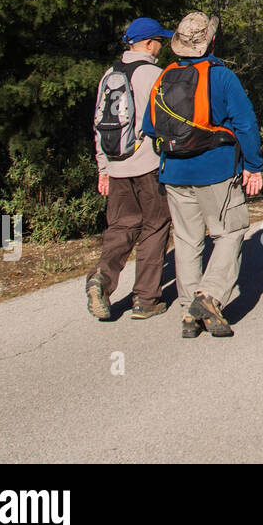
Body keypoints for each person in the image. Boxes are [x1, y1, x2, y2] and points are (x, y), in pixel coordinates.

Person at [144, 12, 263, 339]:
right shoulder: (221, 76)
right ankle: (208, 296)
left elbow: (149, 128)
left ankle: (188, 310)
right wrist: (253, 165)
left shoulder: (163, 76)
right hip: (216, 170)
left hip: (175, 172)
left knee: (186, 241)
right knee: (230, 230)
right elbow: (246, 123)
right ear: (210, 41)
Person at [86, 18, 175, 321]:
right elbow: (168, 122)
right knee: (155, 225)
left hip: (115, 163)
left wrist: (103, 168)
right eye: (160, 41)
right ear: (149, 44)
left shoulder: (108, 75)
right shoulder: (154, 74)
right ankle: (145, 300)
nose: (162, 46)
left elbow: (99, 124)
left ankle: (101, 277)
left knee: (121, 227)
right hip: (148, 164)